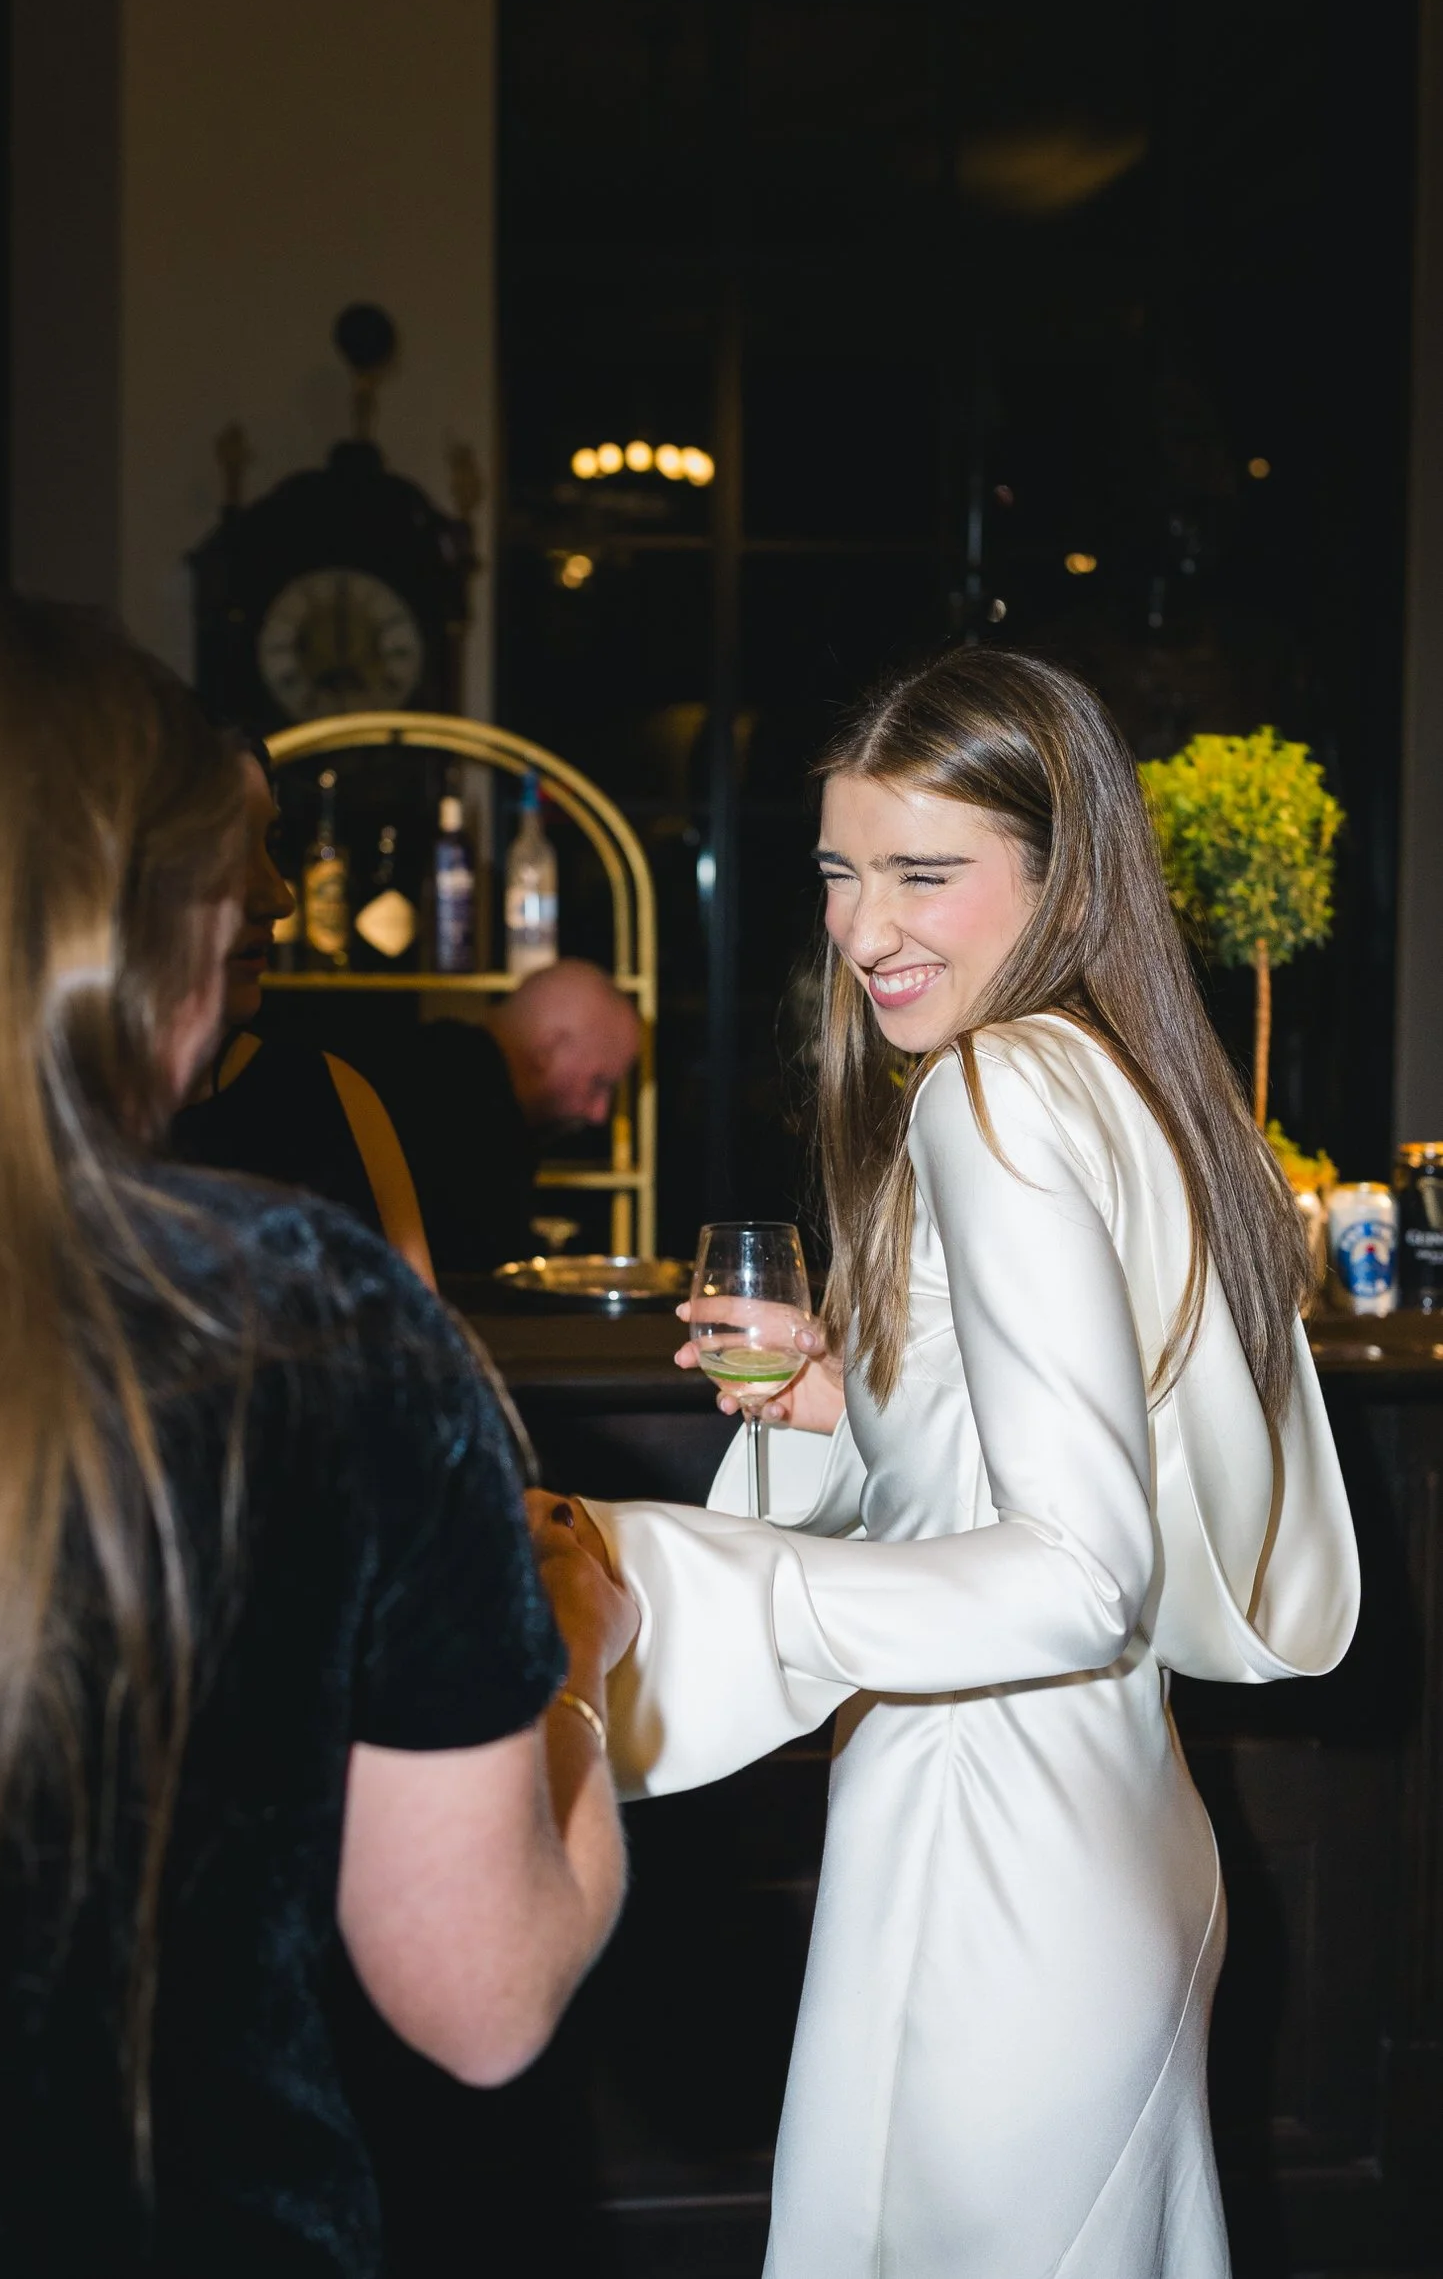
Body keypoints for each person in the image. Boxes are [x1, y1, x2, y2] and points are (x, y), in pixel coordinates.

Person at [0, 586, 634, 2274]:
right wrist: (577, 1673)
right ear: (129, 938)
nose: (256, 921)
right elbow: (483, 1998)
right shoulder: (308, 1321)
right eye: (220, 892)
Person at [559, 650, 1359, 2279]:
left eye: (923, 874)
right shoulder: (1117, 1076)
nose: (863, 931)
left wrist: (677, 1582)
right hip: (1113, 1818)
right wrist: (862, 1400)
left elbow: (1076, 1574)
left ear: (1061, 879)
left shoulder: (987, 1092)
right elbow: (1084, 1456)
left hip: (984, 1831)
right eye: (838, 874)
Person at [171, 739, 435, 1285]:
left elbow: (426, 1334)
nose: (278, 898)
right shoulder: (28, 1120)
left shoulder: (335, 1098)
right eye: (226, 851)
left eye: (268, 845)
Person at [381, 959, 642, 1273]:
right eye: (598, 1083)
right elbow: (490, 1277)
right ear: (549, 1048)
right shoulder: (477, 1116)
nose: (599, 1114)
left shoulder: (436, 1060)